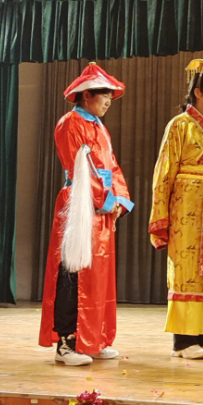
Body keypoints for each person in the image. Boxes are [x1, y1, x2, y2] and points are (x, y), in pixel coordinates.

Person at [39, 62, 133, 366]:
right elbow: (80, 168)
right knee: (73, 271)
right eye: (104, 95)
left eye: (110, 97)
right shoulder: (70, 123)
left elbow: (112, 166)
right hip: (80, 203)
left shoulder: (100, 128)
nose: (108, 102)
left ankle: (93, 339)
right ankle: (66, 343)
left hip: (101, 207)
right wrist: (106, 199)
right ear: (87, 95)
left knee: (98, 275)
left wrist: (119, 200)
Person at [149, 57, 203, 358]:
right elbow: (164, 170)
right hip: (186, 203)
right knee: (187, 267)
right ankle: (183, 341)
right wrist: (161, 213)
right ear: (197, 93)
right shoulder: (179, 125)